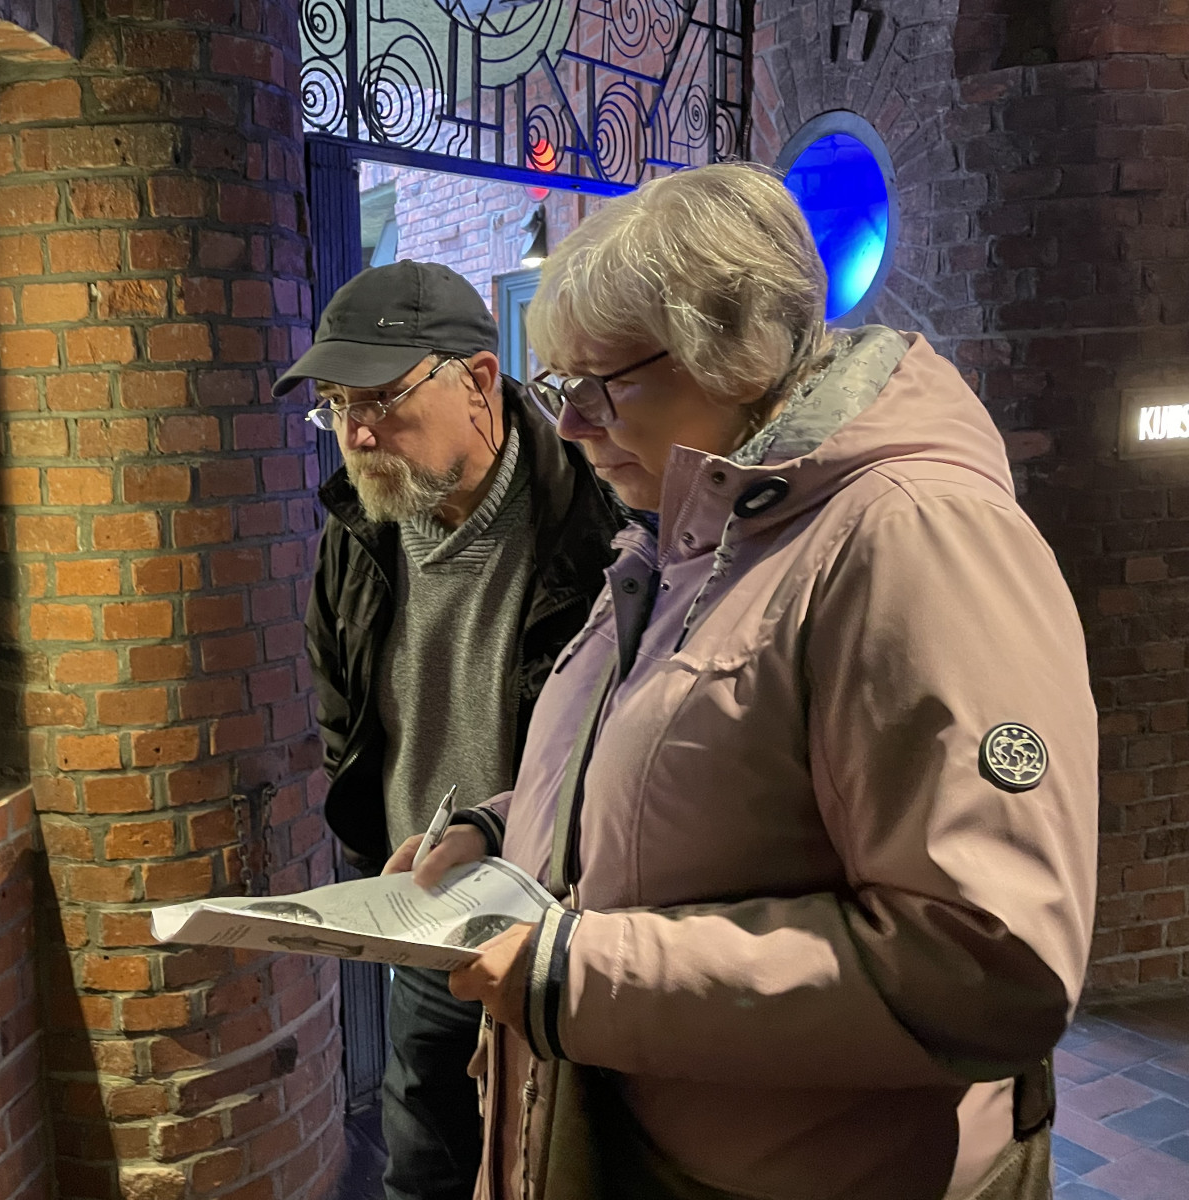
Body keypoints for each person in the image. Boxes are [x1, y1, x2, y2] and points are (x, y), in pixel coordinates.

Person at [389, 163, 1096, 1200]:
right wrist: (505, 833)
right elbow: (696, 774)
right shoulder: (700, 525)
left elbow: (989, 961)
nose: (571, 425)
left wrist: (576, 974)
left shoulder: (913, 537)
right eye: (559, 389)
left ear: (740, 354)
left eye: (603, 384)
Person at [277, 260, 619, 1200]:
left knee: (566, 1161)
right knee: (422, 1158)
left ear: (477, 381)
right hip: (428, 918)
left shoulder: (604, 519)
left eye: (382, 397)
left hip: (573, 923)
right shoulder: (356, 531)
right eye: (338, 404)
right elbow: (344, 706)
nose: (355, 432)